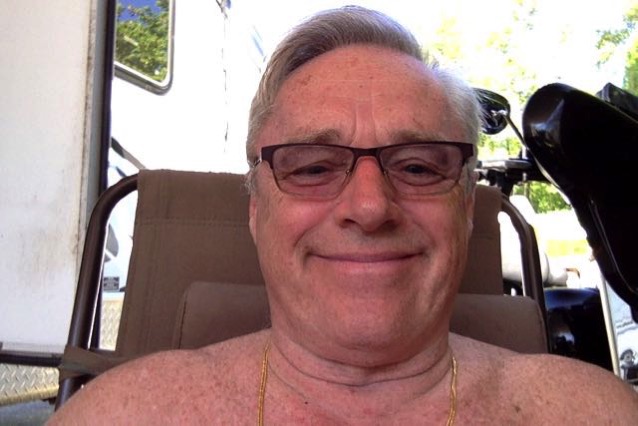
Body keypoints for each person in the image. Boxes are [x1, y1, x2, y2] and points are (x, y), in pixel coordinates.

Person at [50, 6, 638, 424]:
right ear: (256, 210)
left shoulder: (595, 412)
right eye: (311, 167)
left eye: (417, 166)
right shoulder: (121, 414)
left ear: (465, 207)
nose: (370, 207)